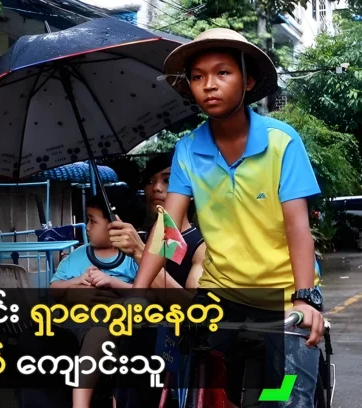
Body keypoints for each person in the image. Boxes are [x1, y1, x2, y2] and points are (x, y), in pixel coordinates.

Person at [131, 28, 325, 408]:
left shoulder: (281, 141)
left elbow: (298, 228)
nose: (209, 85)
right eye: (198, 76)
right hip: (220, 292)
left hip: (284, 294)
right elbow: (168, 230)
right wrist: (137, 292)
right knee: (194, 384)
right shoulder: (188, 149)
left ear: (248, 80)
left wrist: (304, 299)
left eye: (222, 73)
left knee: (284, 398)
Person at [49, 194, 140, 408]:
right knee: (99, 335)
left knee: (116, 333)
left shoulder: (131, 258)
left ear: (115, 225)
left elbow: (144, 293)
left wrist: (112, 282)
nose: (87, 227)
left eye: (93, 220)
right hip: (82, 322)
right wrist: (77, 281)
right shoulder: (78, 256)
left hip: (119, 324)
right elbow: (54, 289)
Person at [137, 152, 206, 289]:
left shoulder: (200, 247)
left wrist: (138, 252)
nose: (156, 188)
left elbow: (193, 306)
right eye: (150, 181)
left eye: (167, 180)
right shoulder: (140, 236)